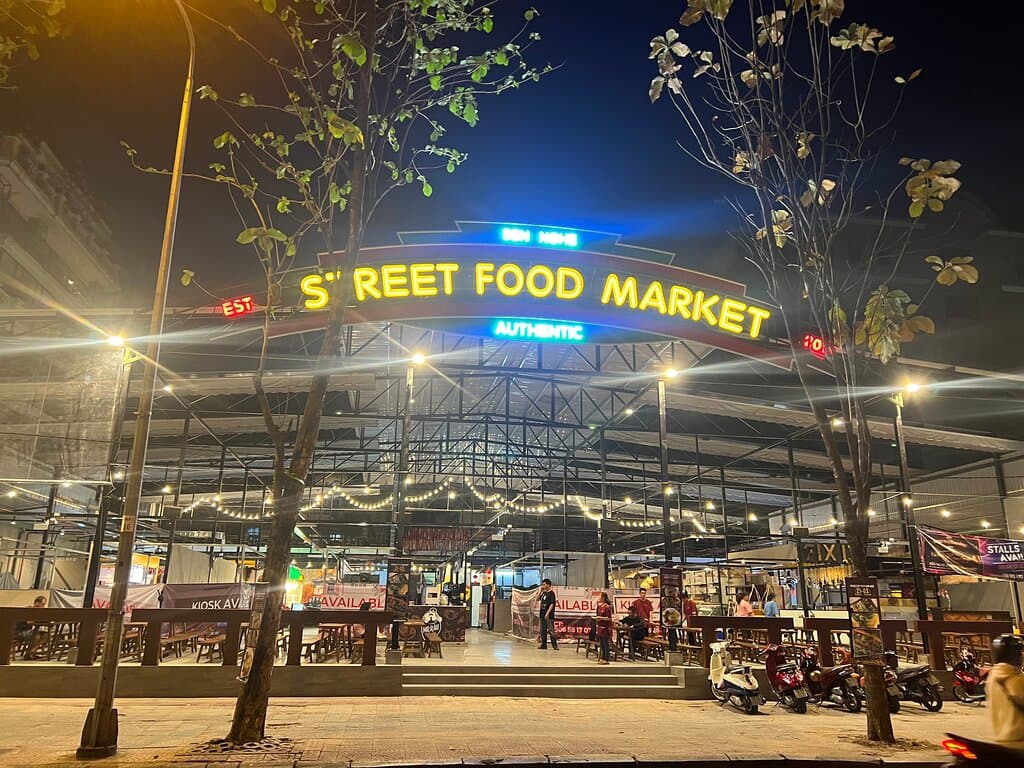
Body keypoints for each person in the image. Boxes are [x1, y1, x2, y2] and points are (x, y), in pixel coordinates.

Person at [987, 633, 1024, 742]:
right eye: (1020, 652)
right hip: (1019, 739)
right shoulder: (1014, 679)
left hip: (1002, 737)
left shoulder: (994, 676)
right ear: (1015, 655)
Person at [537, 579, 558, 650]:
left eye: (544, 584)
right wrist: (540, 591)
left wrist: (547, 613)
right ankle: (543, 644)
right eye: (542, 584)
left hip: (549, 616)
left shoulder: (551, 593)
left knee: (551, 630)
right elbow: (537, 599)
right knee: (543, 630)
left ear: (548, 585)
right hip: (542, 615)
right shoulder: (544, 593)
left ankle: (555, 645)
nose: (543, 586)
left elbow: (552, 604)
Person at [595, 591, 613, 664]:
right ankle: (602, 657)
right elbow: (597, 615)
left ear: (603, 597)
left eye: (600, 596)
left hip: (605, 627)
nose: (599, 598)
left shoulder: (607, 607)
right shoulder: (599, 606)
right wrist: (597, 618)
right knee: (601, 644)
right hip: (600, 627)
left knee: (605, 643)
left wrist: (601, 618)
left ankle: (606, 658)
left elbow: (609, 618)